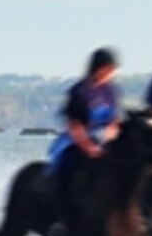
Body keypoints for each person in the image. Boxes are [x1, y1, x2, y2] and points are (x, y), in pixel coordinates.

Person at [47, 49, 122, 181]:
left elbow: (113, 122)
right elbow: (74, 125)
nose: (112, 73)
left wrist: (108, 139)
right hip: (78, 139)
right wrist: (88, 147)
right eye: (110, 69)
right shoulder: (80, 91)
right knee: (64, 163)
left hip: (103, 139)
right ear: (100, 68)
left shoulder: (111, 91)